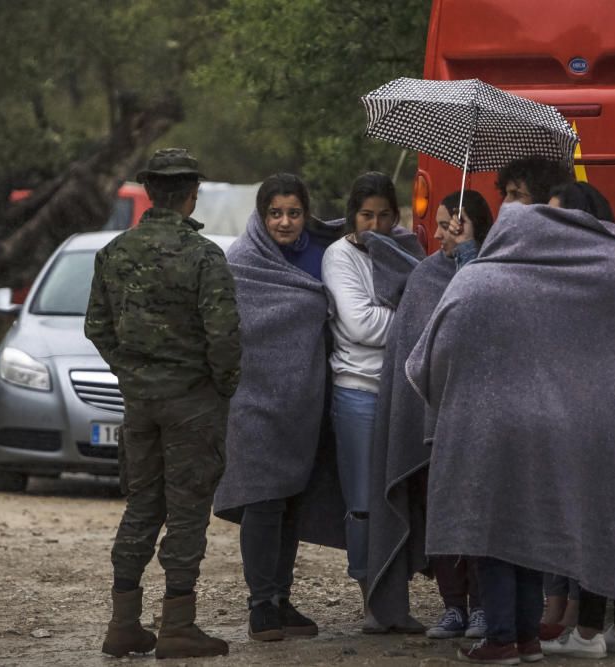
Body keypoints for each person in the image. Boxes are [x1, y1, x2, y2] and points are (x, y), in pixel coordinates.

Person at [406, 191, 615, 664]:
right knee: (528, 539)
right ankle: (526, 639)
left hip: (489, 427)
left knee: (492, 535)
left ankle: (500, 639)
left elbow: (428, 359)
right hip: (559, 426)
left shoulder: (477, 281)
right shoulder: (610, 270)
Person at [85, 148, 241, 660]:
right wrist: (223, 386)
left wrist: (133, 375)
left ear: (150, 192)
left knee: (142, 506)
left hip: (141, 405)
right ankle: (177, 625)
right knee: (188, 509)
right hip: (192, 404)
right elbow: (223, 337)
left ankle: (123, 624)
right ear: (191, 193)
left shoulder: (114, 252)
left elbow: (96, 327)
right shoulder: (204, 256)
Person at [213, 173, 344, 642]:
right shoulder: (240, 264)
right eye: (275, 213)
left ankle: (281, 599)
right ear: (261, 214)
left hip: (304, 403)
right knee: (263, 502)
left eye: (293, 212)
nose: (285, 222)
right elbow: (227, 334)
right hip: (253, 402)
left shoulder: (326, 254)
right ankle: (260, 605)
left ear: (306, 213)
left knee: (291, 502)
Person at [365, 190, 494, 640]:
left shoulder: (494, 272)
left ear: (471, 225)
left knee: (478, 512)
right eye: (437, 224)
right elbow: (412, 348)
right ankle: (453, 605)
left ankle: (482, 605)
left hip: (481, 417)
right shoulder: (425, 276)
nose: (437, 233)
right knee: (440, 511)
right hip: (432, 419)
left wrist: (472, 265)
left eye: (447, 225)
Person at [538, 181, 615, 658]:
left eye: (559, 216)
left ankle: (587, 633)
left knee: (592, 516)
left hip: (592, 407)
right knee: (610, 516)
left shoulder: (592, 264)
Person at [322, 171, 424, 633]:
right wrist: (408, 318)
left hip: (404, 392)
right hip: (358, 393)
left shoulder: (407, 252)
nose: (376, 225)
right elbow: (361, 325)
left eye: (385, 215)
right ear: (353, 216)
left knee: (401, 496)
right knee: (364, 503)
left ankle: (397, 605)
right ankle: (371, 601)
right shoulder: (339, 256)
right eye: (367, 215)